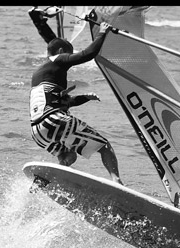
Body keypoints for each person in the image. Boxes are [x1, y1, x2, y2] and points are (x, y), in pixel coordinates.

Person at [27, 7, 123, 185]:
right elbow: (88, 54)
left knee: (69, 155)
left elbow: (63, 103)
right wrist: (102, 32)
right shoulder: (59, 59)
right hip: (53, 120)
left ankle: (45, 180)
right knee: (104, 146)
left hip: (38, 131)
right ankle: (117, 182)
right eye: (68, 53)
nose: (69, 58)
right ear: (63, 50)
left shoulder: (42, 75)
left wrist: (85, 98)